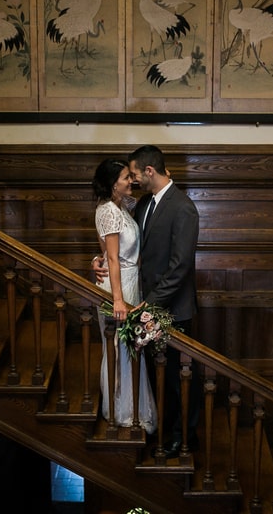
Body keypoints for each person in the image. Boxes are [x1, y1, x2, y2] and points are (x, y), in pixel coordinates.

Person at [94, 145, 200, 459]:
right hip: (142, 304)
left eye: (136, 174)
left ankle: (184, 438)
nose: (135, 180)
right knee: (157, 374)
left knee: (181, 377)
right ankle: (164, 431)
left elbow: (180, 266)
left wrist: (149, 304)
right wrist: (96, 260)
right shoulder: (142, 205)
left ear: (149, 171)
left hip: (171, 308)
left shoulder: (183, 208)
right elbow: (121, 246)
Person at [92, 157, 157, 434]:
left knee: (132, 348)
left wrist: (96, 259)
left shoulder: (124, 205)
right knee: (119, 349)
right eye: (124, 177)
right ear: (111, 185)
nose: (131, 180)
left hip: (131, 280)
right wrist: (117, 299)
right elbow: (114, 259)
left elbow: (105, 252)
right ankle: (120, 411)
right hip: (117, 286)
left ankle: (133, 408)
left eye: (130, 176)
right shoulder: (106, 210)